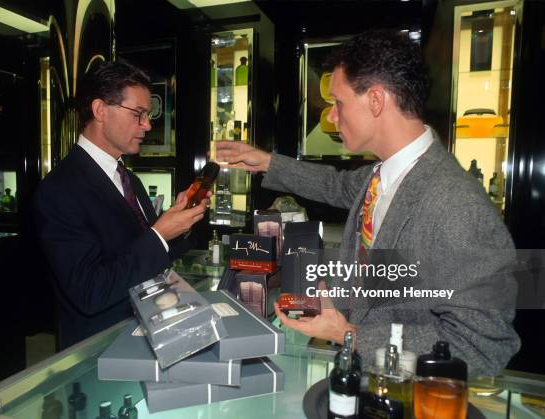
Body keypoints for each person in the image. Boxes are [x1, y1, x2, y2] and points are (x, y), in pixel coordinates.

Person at [216, 30, 519, 376]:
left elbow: (483, 345)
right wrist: (267, 162)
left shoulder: (458, 206)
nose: (330, 116)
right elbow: (335, 184)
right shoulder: (381, 176)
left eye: (338, 103)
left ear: (375, 100)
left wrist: (348, 334)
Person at [35, 61, 209, 348]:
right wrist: (160, 234)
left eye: (148, 114)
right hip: (99, 351)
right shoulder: (60, 189)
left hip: (150, 333)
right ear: (100, 110)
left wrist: (180, 220)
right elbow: (89, 292)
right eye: (138, 114)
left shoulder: (129, 179)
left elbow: (148, 253)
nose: (148, 124)